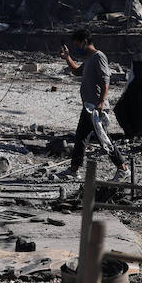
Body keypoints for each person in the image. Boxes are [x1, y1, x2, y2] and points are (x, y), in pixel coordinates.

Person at [60, 28, 126, 177]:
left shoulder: (98, 56)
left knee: (104, 139)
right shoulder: (89, 59)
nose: (78, 48)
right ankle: (73, 170)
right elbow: (77, 72)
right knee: (81, 137)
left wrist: (101, 102)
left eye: (78, 44)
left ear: (85, 41)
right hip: (88, 106)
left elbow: (105, 79)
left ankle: (122, 168)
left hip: (96, 107)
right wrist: (67, 57)